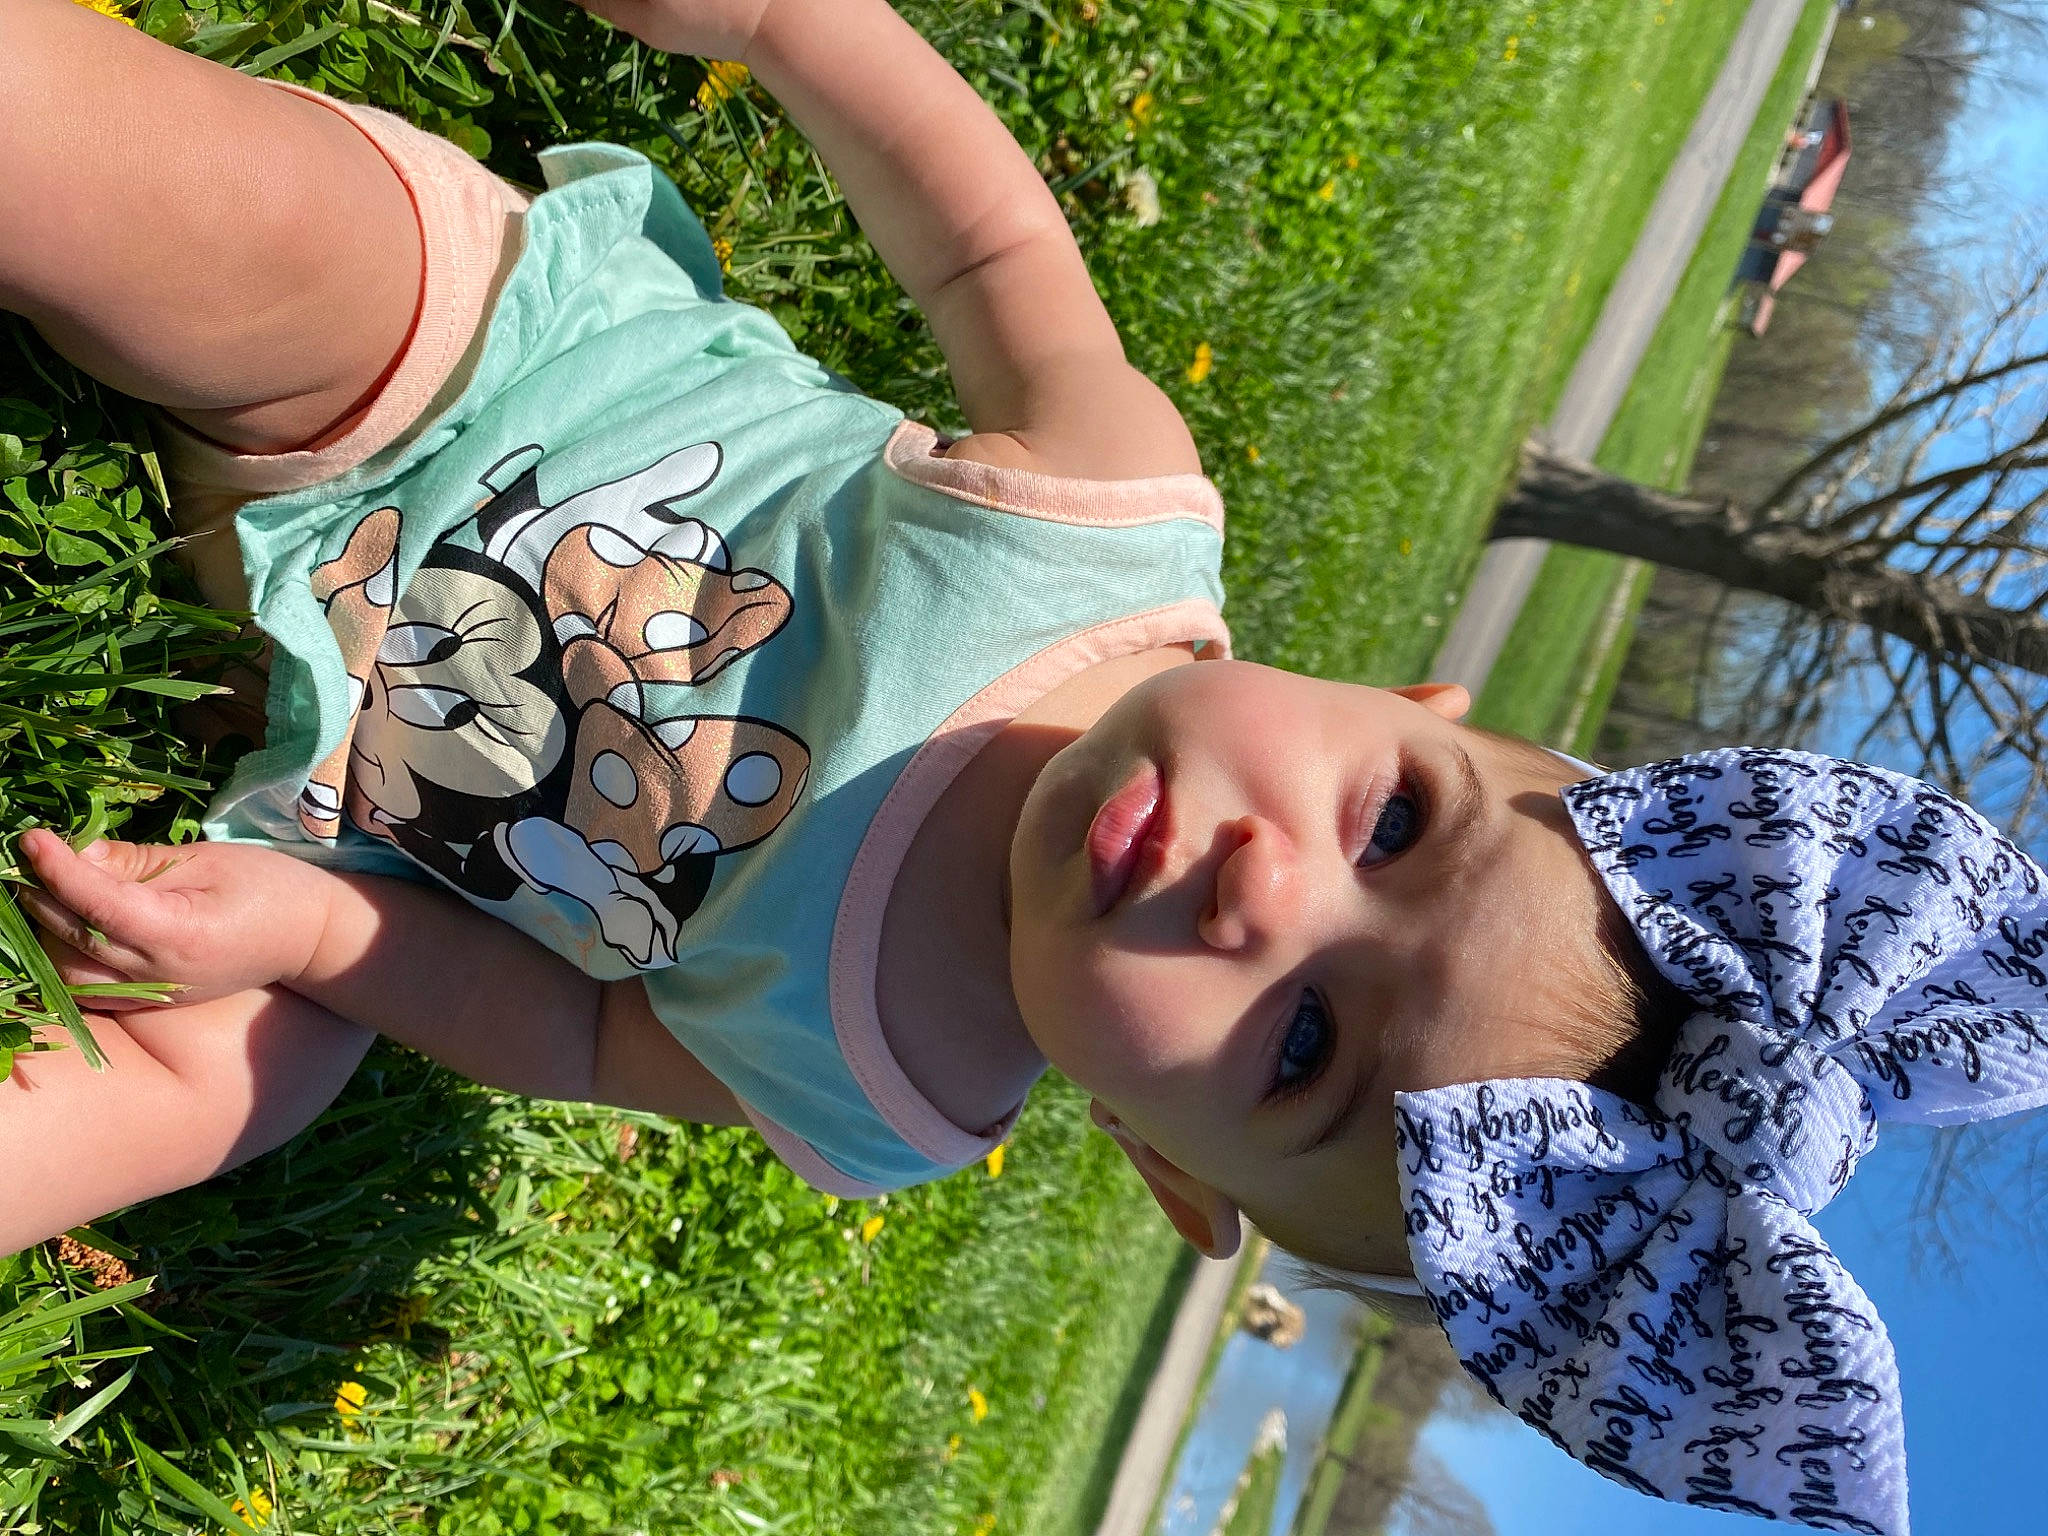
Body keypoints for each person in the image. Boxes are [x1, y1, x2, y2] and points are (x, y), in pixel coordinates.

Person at [4, 4, 2044, 1530]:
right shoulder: (1103, 526)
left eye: (1299, 1048)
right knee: (231, 217)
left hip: (345, 818)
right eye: (1393, 828)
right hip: (448, 371)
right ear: (1416, 706)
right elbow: (985, 251)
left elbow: (579, 1032)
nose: (1264, 893)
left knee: (227, 1081)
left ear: (1170, 1170)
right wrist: (787, 27)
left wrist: (319, 935)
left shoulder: (884, 1095)